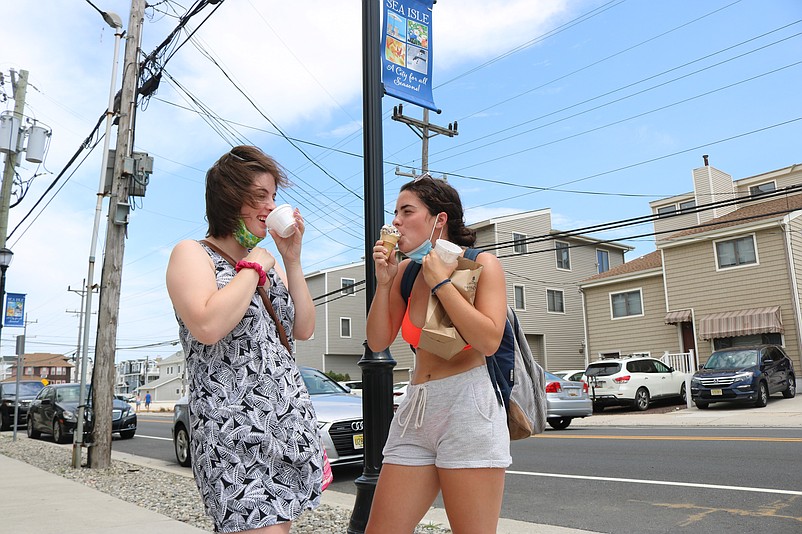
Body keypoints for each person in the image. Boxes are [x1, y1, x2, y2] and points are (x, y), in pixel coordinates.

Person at [166, 145, 322, 534]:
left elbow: (303, 328)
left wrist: (291, 259)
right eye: (259, 197)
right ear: (229, 199)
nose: (270, 206)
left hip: (286, 428)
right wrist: (253, 267)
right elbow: (207, 325)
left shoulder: (269, 264)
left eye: (272, 196)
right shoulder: (194, 254)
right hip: (233, 432)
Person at [364, 176, 511, 534]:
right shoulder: (403, 272)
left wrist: (443, 284)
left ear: (439, 220)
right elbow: (378, 341)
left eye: (407, 211)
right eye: (395, 212)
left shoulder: (482, 265)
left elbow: (488, 340)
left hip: (468, 405)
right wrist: (384, 284)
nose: (395, 221)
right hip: (417, 407)